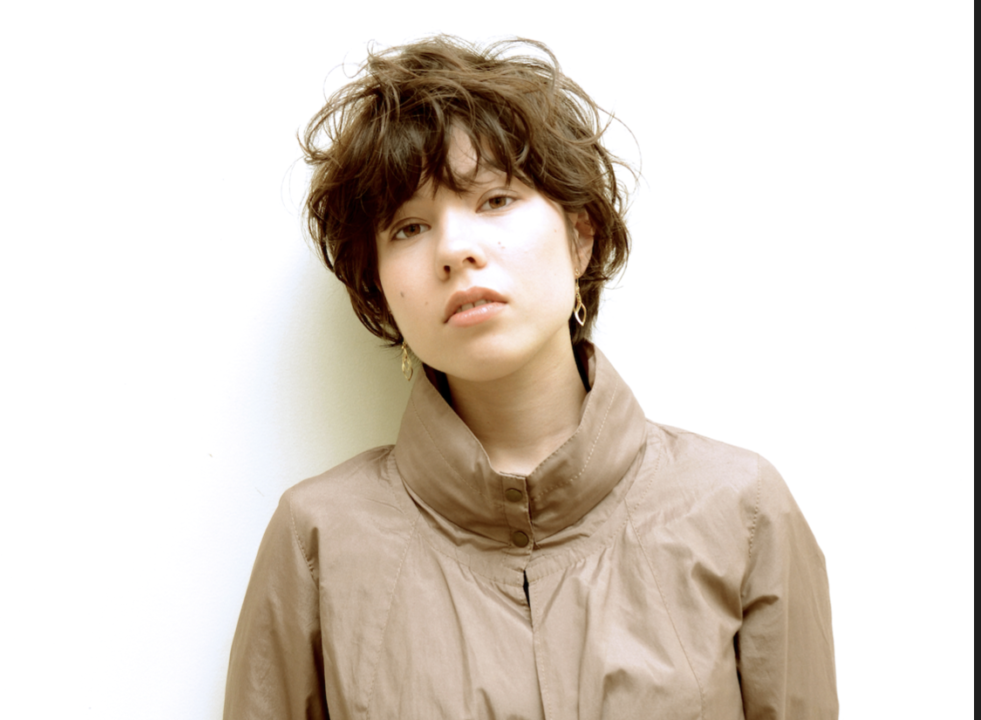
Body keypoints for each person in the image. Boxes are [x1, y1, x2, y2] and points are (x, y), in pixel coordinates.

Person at [224, 36, 838, 720]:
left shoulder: (741, 511)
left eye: (496, 199)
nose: (456, 248)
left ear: (581, 236)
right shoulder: (317, 541)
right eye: (408, 227)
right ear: (379, 288)